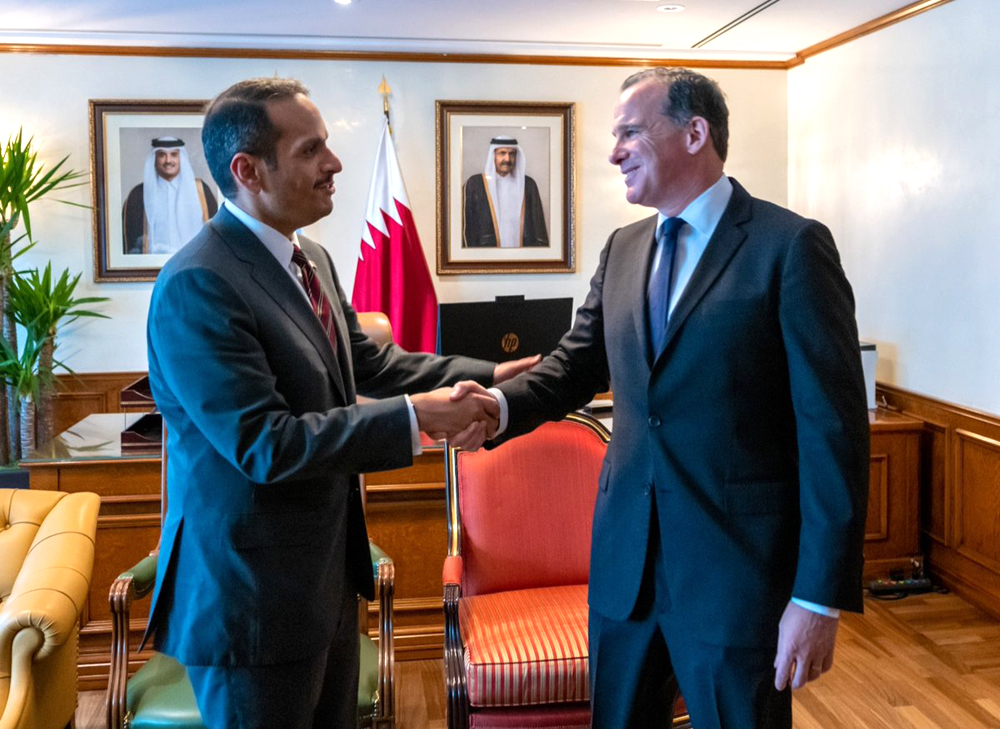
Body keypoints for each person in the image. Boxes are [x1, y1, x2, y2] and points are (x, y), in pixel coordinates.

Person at [455, 67, 870, 729]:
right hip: (625, 576)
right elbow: (572, 366)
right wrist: (493, 408)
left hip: (736, 582)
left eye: (629, 132)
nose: (613, 150)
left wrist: (817, 597)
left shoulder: (789, 247)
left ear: (694, 132)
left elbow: (833, 434)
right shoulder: (623, 249)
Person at [144, 78, 538, 729]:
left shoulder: (312, 259)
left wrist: (494, 372)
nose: (334, 164)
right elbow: (265, 445)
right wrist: (418, 419)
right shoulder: (198, 284)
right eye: (311, 150)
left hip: (322, 584)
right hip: (251, 606)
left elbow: (375, 364)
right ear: (248, 171)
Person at [123, 136, 219, 254]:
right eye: (162, 155)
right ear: (155, 159)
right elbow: (130, 240)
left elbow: (216, 232)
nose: (168, 160)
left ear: (181, 158)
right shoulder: (138, 194)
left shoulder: (201, 190)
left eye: (174, 154)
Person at [463, 136, 548, 247]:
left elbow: (538, 227)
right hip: (486, 256)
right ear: (493, 156)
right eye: (502, 153)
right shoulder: (476, 184)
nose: (507, 159)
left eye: (512, 154)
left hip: (523, 257)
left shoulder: (528, 184)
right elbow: (468, 227)